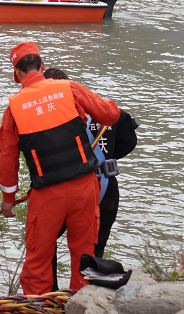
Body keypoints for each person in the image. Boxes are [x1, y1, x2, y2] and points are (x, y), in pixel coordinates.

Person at [0, 42, 120, 295]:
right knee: (85, 254)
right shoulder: (68, 88)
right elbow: (109, 115)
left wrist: (8, 198)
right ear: (42, 66)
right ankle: (81, 304)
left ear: (16, 73)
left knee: (38, 259)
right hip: (84, 188)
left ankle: (40, 307)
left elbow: (7, 157)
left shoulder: (13, 108)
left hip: (46, 194)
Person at [42, 68, 138, 292]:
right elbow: (129, 140)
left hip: (70, 187)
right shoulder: (105, 110)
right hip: (107, 186)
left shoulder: (53, 114)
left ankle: (52, 293)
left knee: (46, 242)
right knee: (95, 246)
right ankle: (87, 294)